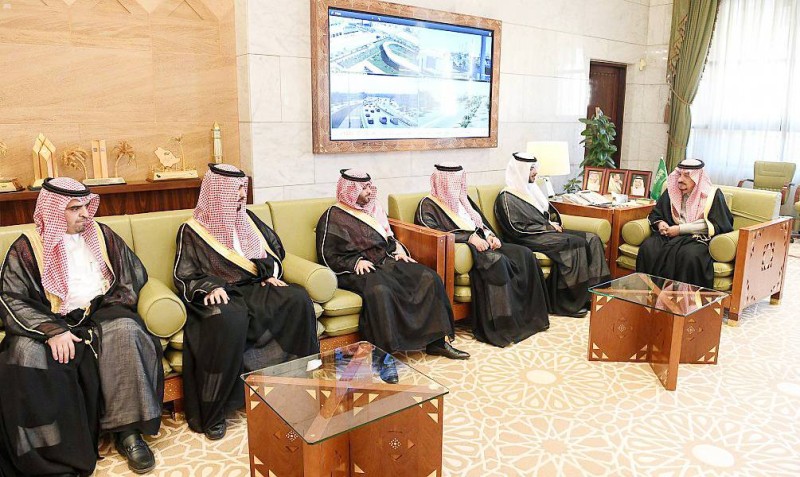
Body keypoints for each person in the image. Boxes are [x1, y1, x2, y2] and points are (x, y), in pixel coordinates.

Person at [0, 178, 163, 476]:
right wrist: (52, 330)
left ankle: (128, 433)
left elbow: (132, 275)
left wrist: (109, 304)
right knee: (24, 354)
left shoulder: (102, 235)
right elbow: (12, 297)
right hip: (52, 318)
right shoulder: (27, 247)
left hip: (100, 311)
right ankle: (53, 451)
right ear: (54, 211)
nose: (86, 214)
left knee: (127, 331)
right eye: (75, 208)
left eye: (86, 206)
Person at [174, 164, 319, 440]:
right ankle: (215, 410)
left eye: (243, 187)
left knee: (297, 298)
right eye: (237, 189)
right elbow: (185, 273)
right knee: (226, 319)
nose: (243, 194)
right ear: (218, 192)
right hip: (222, 293)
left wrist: (268, 273)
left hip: (253, 286)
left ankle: (293, 380)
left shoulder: (249, 219)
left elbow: (274, 253)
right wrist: (210, 287)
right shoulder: (192, 230)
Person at [316, 169, 468, 360]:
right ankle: (384, 354)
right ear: (350, 190)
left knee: (429, 278)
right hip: (355, 270)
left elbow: (388, 238)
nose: (369, 191)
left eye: (370, 186)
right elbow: (327, 254)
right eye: (364, 188)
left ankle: (437, 343)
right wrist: (355, 262)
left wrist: (398, 251)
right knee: (381, 291)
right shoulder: (333, 216)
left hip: (386, 260)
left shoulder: (374, 209)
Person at [415, 163, 550, 347]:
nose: (457, 186)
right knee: (498, 262)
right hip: (469, 249)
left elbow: (480, 223)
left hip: (484, 243)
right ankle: (502, 324)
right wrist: (469, 238)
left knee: (524, 254)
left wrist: (490, 235)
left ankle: (529, 318)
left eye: (459, 181)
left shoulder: (465, 201)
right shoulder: (428, 205)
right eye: (453, 182)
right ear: (442, 182)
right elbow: (433, 232)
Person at [495, 152, 610, 317]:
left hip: (545, 232)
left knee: (592, 239)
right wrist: (548, 227)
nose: (535, 172)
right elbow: (516, 228)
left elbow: (545, 214)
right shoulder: (507, 197)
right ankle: (569, 303)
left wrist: (551, 224)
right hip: (527, 238)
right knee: (574, 243)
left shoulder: (531, 190)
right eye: (531, 169)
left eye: (535, 167)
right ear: (520, 170)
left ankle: (594, 295)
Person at [636, 159, 733, 288]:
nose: (680, 180)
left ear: (697, 178)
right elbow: (657, 213)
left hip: (697, 237)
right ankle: (648, 292)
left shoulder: (712, 195)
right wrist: (660, 223)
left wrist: (680, 229)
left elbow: (716, 224)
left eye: (687, 175)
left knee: (689, 256)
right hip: (671, 235)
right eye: (679, 174)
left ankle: (684, 298)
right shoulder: (672, 192)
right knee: (649, 247)